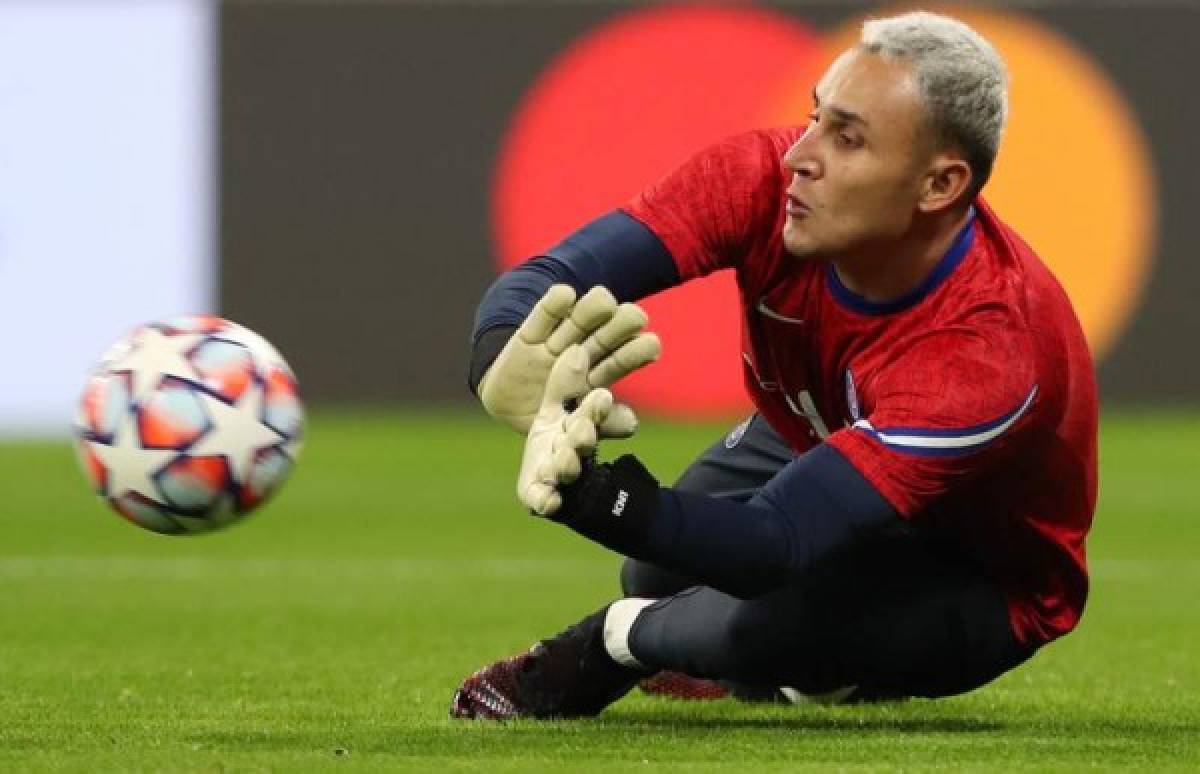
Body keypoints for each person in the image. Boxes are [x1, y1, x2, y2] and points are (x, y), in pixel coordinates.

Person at [452, 10, 1098, 719]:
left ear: (939, 186)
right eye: (815, 117)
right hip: (828, 440)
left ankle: (624, 644)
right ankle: (793, 667)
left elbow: (773, 544)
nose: (800, 155)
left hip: (974, 566)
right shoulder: (764, 181)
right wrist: (500, 359)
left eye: (846, 137)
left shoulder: (985, 347)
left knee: (759, 619)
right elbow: (552, 274)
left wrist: (590, 497)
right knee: (656, 569)